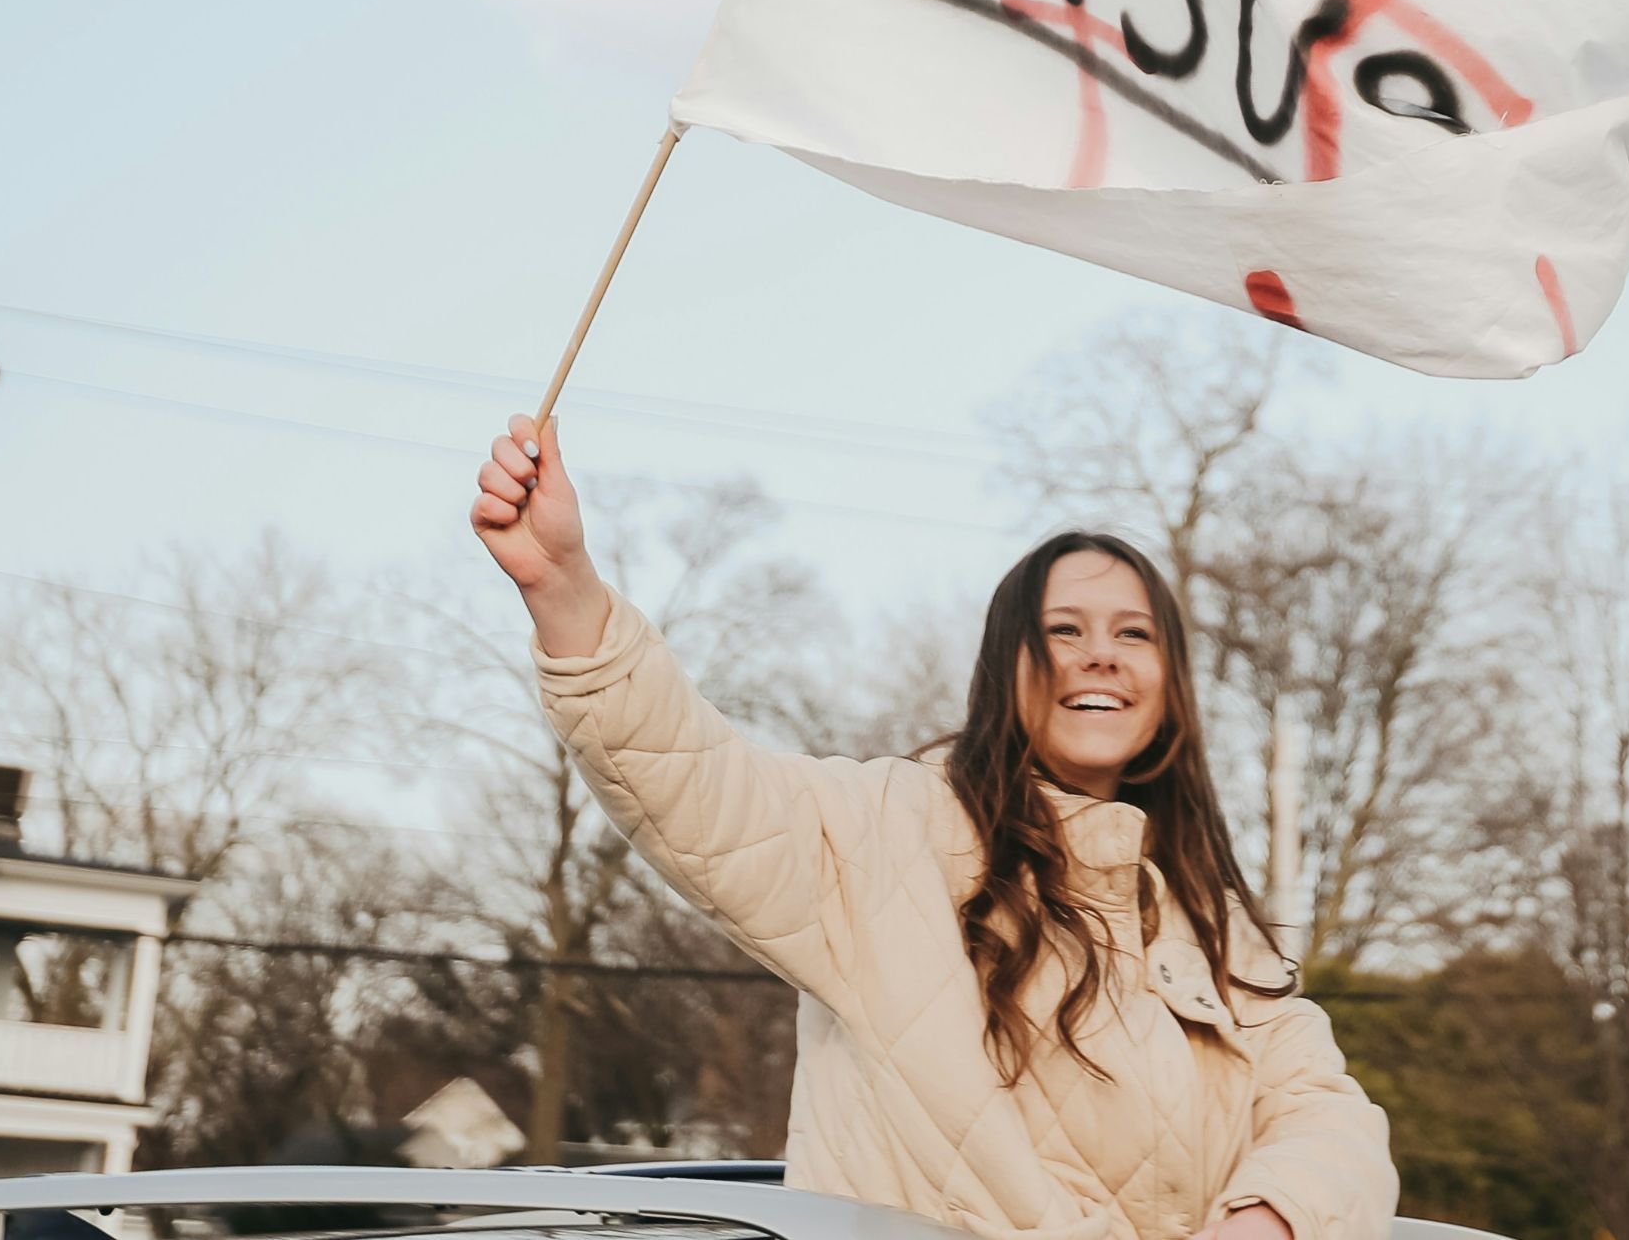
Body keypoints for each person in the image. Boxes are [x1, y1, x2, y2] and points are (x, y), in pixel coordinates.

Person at [472, 414, 1398, 1240]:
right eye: (1064, 627)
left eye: (1135, 633)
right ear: (1008, 663)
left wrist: (1270, 1216)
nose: (1100, 655)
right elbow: (696, 781)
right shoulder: (893, 829)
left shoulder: (1208, 913)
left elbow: (1328, 1112)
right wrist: (565, 586)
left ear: (1172, 683)